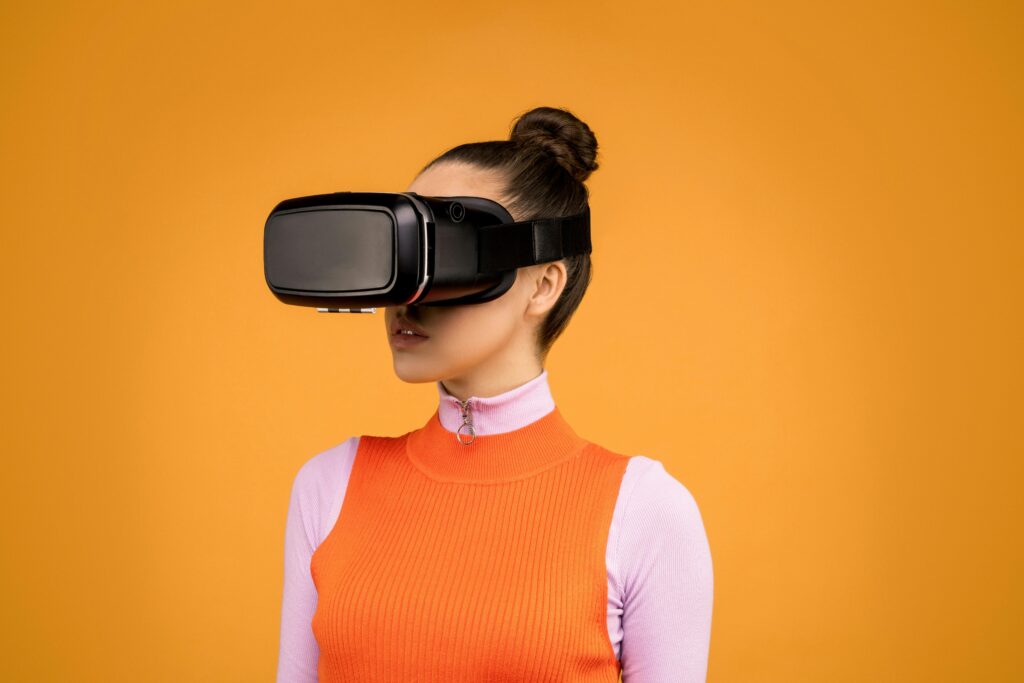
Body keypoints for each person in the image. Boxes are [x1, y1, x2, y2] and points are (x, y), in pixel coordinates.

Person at [276, 106, 713, 682]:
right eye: (403, 253)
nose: (408, 297)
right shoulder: (327, 486)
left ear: (543, 284)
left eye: (448, 253)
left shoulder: (646, 512)